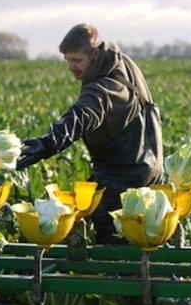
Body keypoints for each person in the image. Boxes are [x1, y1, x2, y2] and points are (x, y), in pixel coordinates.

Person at [15, 23, 163, 244]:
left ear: (94, 54)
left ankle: (118, 274)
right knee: (136, 238)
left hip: (124, 175)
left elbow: (81, 115)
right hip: (147, 164)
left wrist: (49, 143)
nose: (71, 67)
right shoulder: (122, 62)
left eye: (77, 60)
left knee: (112, 240)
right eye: (67, 60)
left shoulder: (103, 88)